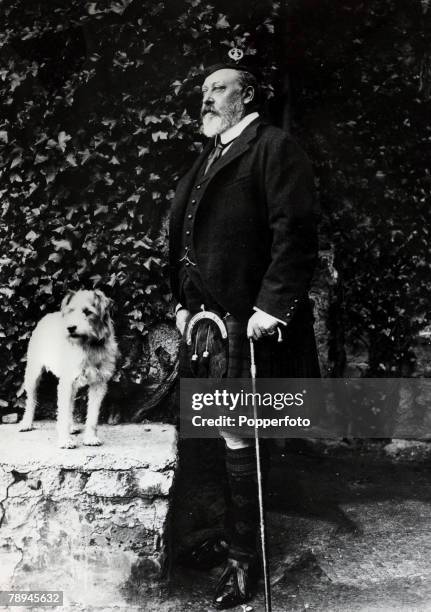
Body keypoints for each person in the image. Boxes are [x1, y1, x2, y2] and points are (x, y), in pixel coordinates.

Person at [169, 49, 320, 609]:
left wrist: (272, 306)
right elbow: (190, 239)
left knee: (241, 436)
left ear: (247, 96)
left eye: (218, 88)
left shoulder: (273, 147)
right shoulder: (212, 155)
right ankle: (227, 539)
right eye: (204, 90)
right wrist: (181, 304)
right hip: (205, 325)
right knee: (213, 431)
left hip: (248, 322)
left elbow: (295, 233)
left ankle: (244, 565)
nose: (205, 98)